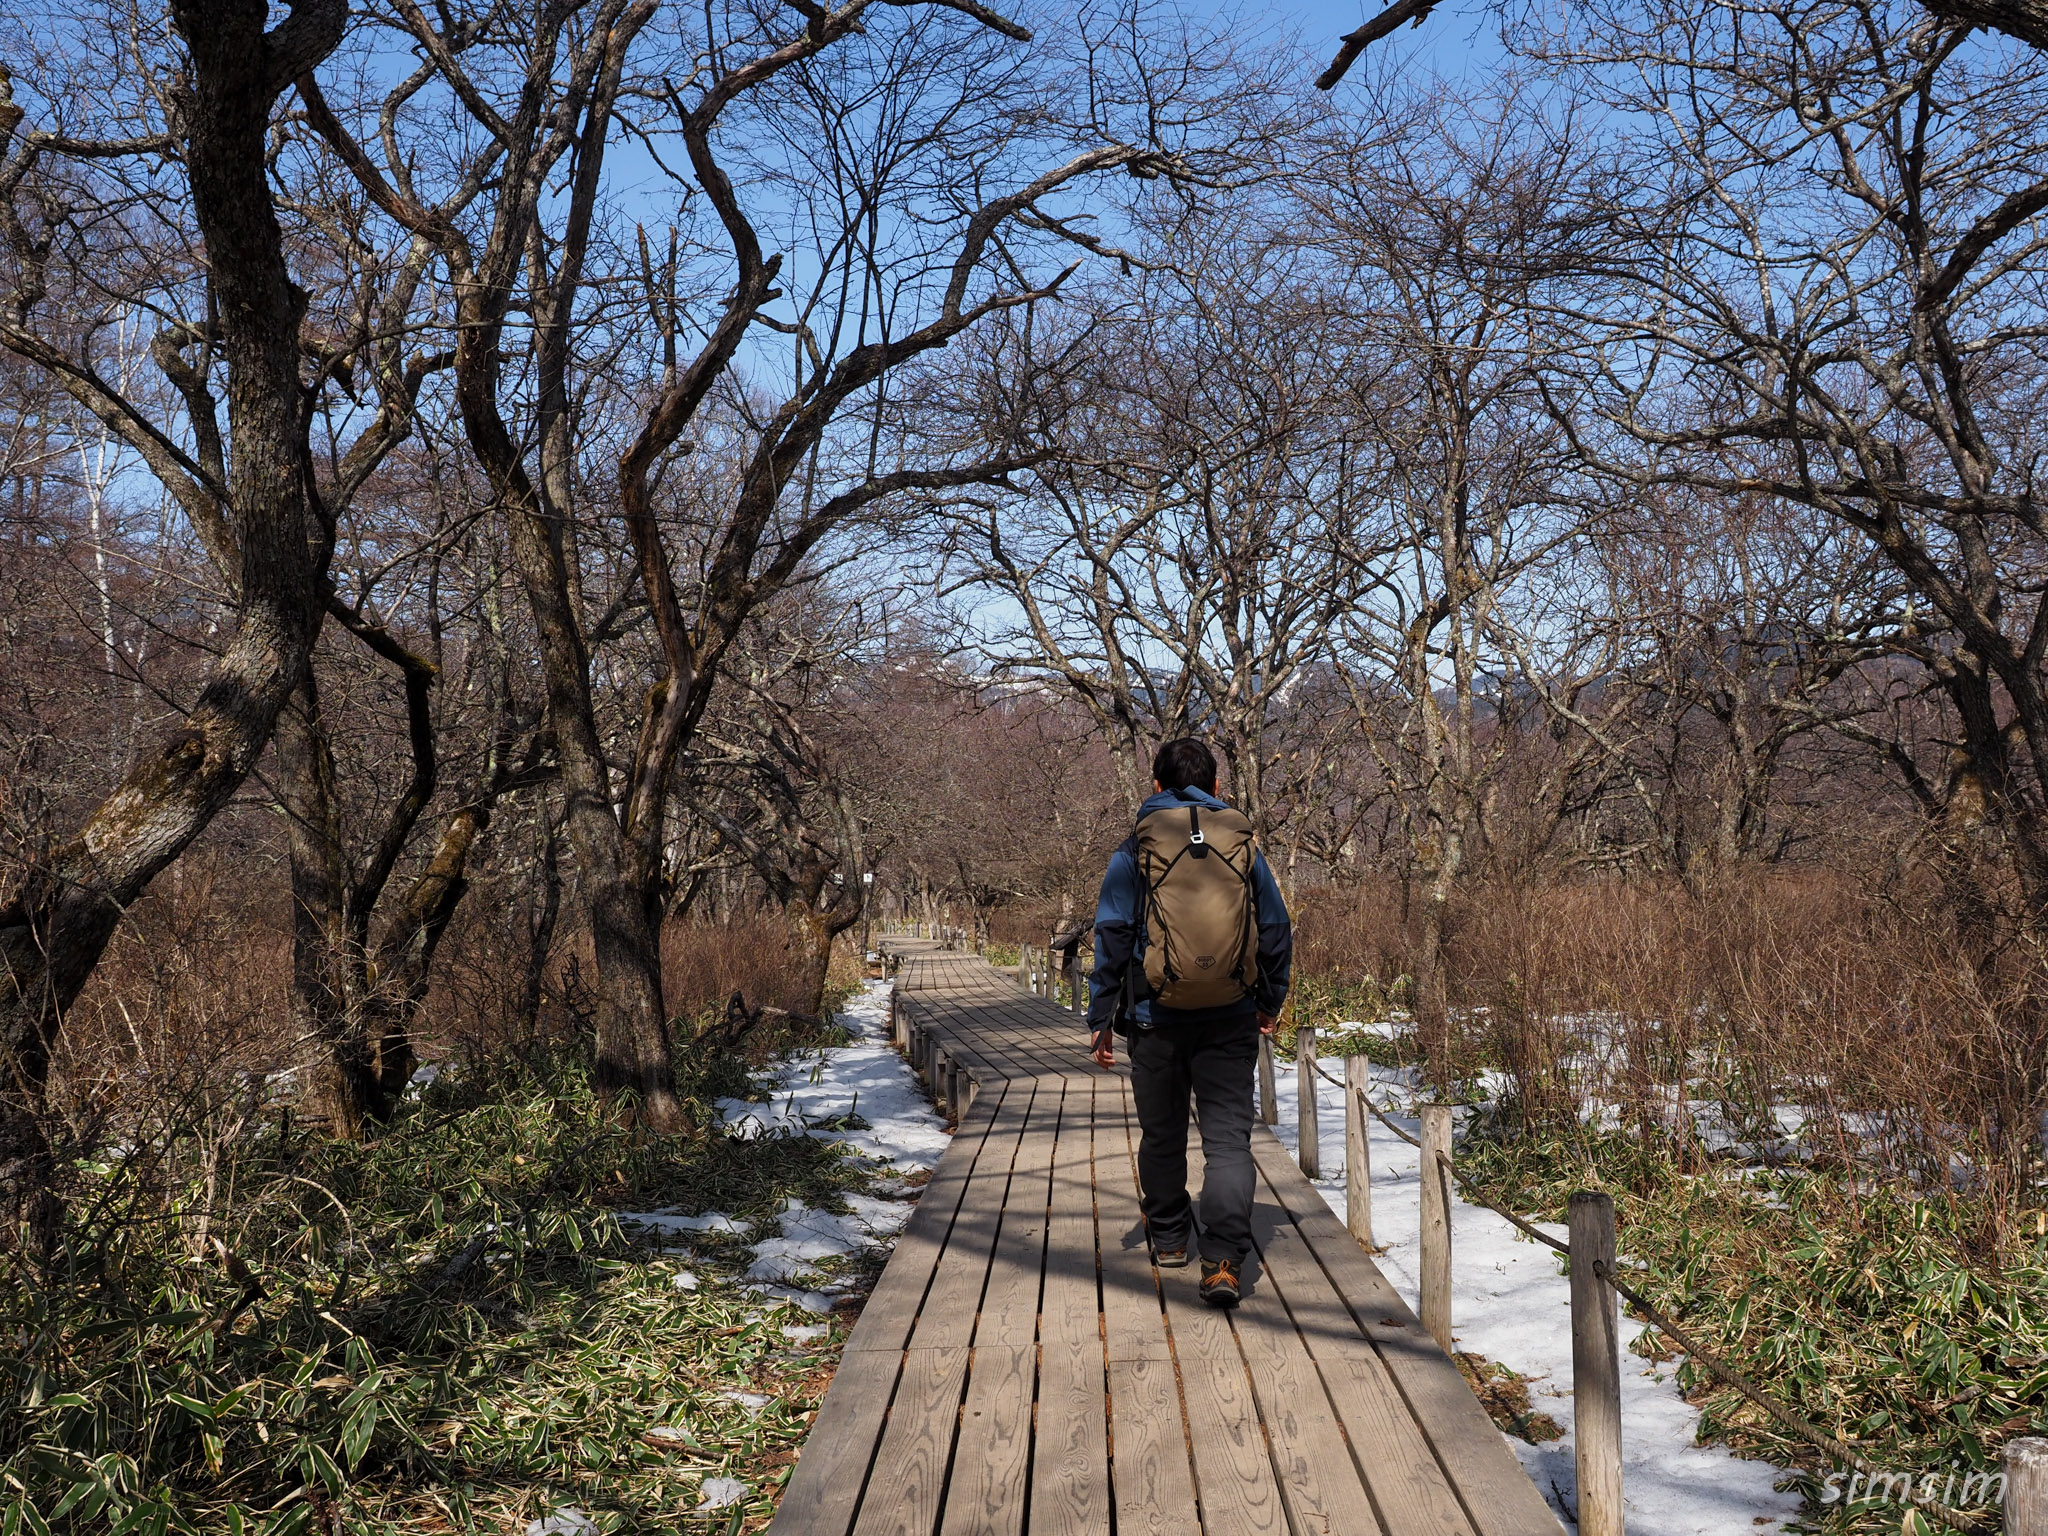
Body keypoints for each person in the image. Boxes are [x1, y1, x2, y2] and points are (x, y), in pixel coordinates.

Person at [1087, 738, 1291, 1306]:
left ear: (1156, 786)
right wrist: (1269, 1001)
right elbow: (1274, 930)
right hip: (1230, 1013)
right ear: (1216, 787)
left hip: (1155, 1016)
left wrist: (1102, 1018)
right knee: (1227, 1140)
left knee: (1162, 1132)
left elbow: (1113, 934)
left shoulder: (1135, 849)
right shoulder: (1242, 842)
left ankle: (1172, 1238)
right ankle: (1223, 1258)